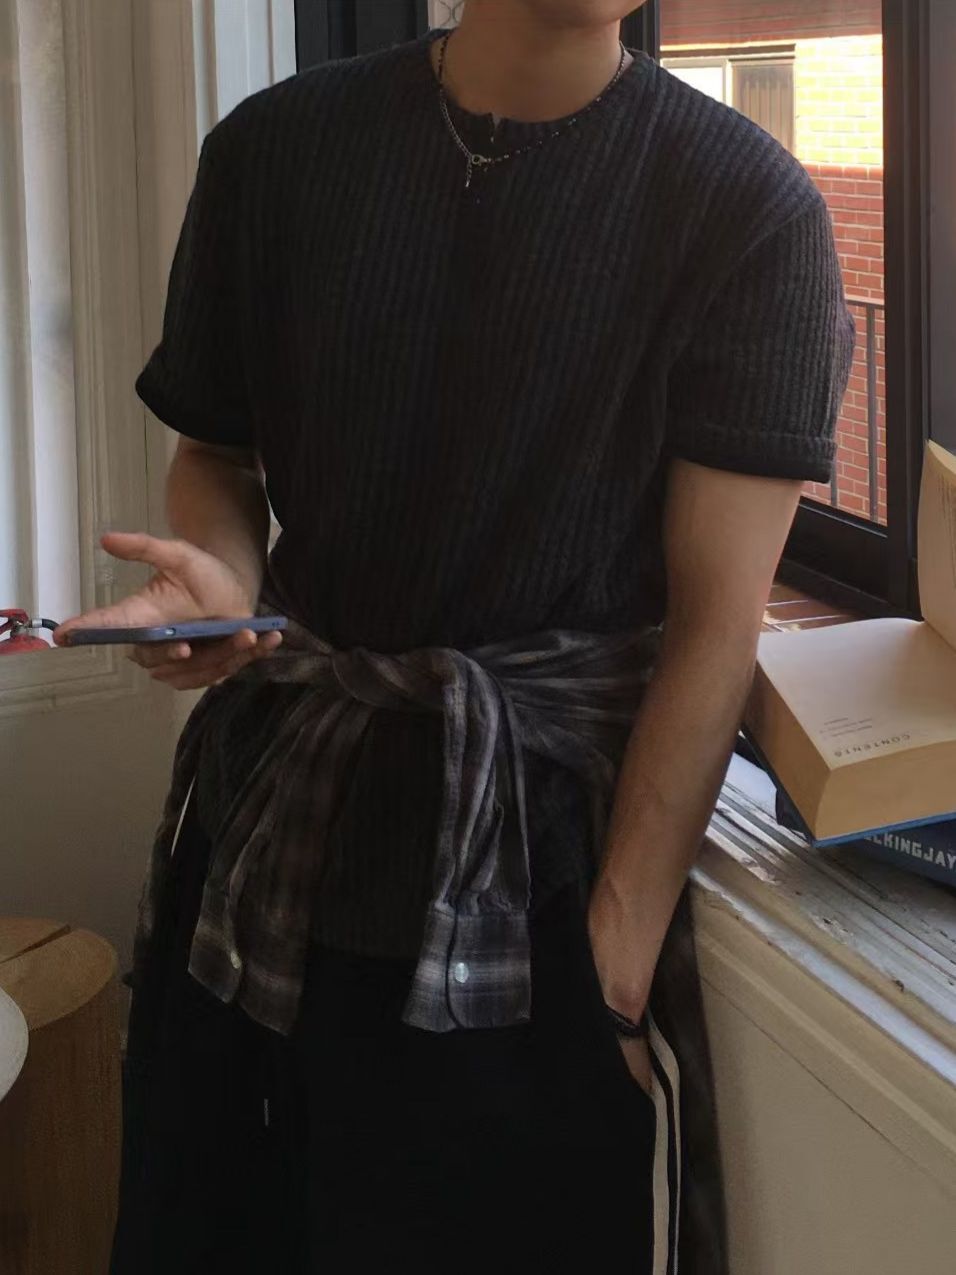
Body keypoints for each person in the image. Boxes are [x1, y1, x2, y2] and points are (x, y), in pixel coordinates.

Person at [56, 2, 853, 1271]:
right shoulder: (276, 147)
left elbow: (715, 625)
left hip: (528, 890)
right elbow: (216, 450)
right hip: (261, 845)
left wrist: (615, 961)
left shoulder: (742, 205)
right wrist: (224, 583)